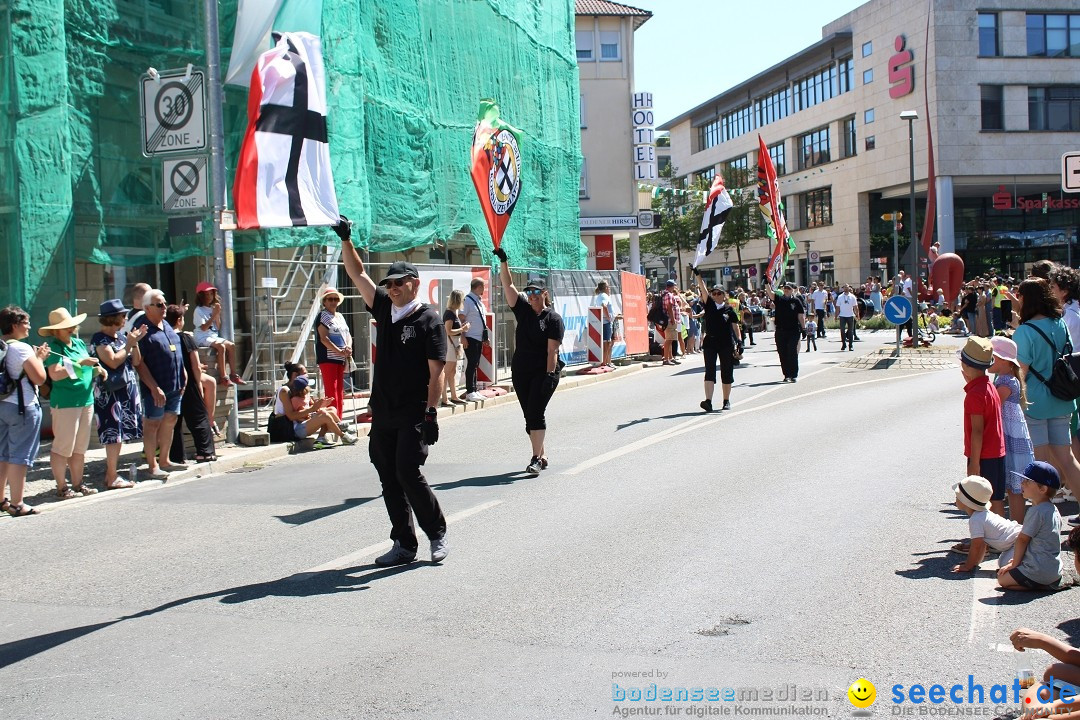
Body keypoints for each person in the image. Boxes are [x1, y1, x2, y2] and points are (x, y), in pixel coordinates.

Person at [337, 217, 449, 566]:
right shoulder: (385, 306)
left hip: (414, 410)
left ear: (414, 283)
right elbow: (358, 275)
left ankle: (436, 534)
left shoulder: (428, 319)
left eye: (399, 282)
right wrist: (346, 239)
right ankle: (404, 543)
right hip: (383, 409)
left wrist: (431, 413)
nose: (393, 287)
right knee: (388, 475)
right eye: (390, 283)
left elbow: (438, 372)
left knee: (407, 472)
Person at [1013, 278, 1080, 524]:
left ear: (1026, 300)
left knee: (1039, 461)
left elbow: (1021, 370)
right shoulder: (1060, 323)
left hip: (1036, 402)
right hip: (1062, 397)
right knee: (1067, 458)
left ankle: (1043, 519)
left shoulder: (1025, 331)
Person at [494, 248, 566, 474]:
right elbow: (508, 285)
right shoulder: (523, 310)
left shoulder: (553, 318)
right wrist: (504, 261)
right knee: (529, 415)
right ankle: (542, 454)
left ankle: (535, 458)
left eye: (536, 291)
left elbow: (552, 350)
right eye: (530, 292)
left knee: (536, 411)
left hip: (544, 370)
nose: (532, 295)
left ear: (544, 293)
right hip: (521, 370)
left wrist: (548, 376)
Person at [41, 307, 101, 498]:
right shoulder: (55, 348)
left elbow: (84, 370)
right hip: (66, 403)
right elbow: (55, 374)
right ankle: (62, 488)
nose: (71, 328)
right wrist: (80, 364)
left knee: (79, 448)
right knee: (63, 447)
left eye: (72, 325)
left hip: (85, 400)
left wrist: (96, 371)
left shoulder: (78, 343)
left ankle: (77, 484)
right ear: (55, 331)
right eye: (65, 326)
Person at [89, 299, 145, 488]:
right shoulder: (100, 339)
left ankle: (113, 474)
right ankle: (111, 476)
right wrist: (128, 345)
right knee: (113, 435)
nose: (126, 318)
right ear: (112, 318)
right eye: (123, 315)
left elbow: (136, 361)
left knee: (121, 435)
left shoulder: (122, 337)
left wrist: (134, 343)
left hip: (126, 391)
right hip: (109, 394)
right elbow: (112, 361)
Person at [0, 306, 50, 516]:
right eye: (26, 322)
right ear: (15, 325)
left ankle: (2, 499)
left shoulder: (2, 346)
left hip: (3, 405)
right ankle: (18, 503)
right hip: (23, 406)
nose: (29, 326)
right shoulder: (22, 348)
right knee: (20, 455)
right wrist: (40, 358)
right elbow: (39, 378)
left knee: (2, 453)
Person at [133, 289, 187, 479]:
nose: (164, 307)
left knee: (170, 420)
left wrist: (184, 374)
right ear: (147, 308)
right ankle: (152, 465)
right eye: (159, 304)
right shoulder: (142, 329)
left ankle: (165, 460)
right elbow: (139, 363)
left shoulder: (166, 325)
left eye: (164, 303)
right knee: (152, 424)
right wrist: (153, 387)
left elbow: (176, 351)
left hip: (175, 384)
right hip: (155, 387)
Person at [959, 337, 1008, 517]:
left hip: (983, 455)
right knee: (996, 499)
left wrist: (974, 462)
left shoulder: (974, 395)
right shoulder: (989, 387)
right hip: (997, 453)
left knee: (977, 500)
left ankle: (981, 539)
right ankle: (999, 537)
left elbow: (977, 431)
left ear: (967, 365)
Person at [997, 460, 1062, 591]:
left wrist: (1014, 564)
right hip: (1054, 570)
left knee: (1002, 579)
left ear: (1042, 489)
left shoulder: (1036, 511)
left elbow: (1022, 539)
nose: (1022, 484)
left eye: (1027, 481)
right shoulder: (1053, 509)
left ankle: (1038, 586)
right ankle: (1044, 582)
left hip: (1037, 570)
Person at [990, 337, 1034, 523]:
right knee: (1013, 488)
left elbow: (994, 405)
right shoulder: (1005, 378)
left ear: (1005, 361)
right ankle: (1016, 527)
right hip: (1011, 433)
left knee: (1015, 488)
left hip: (1010, 436)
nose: (990, 360)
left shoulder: (1006, 381)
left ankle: (1017, 526)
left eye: (993, 357)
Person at [165, 305, 218, 464]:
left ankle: (177, 456)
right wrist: (198, 385)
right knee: (199, 418)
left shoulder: (165, 337)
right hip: (190, 383)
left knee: (175, 422)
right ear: (179, 320)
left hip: (172, 383)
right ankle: (205, 452)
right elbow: (195, 364)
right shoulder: (185, 338)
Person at [950, 475, 1020, 573]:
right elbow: (982, 544)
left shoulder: (976, 520)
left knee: (1006, 566)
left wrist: (967, 566)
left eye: (957, 496)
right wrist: (975, 563)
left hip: (1018, 543)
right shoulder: (982, 515)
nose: (955, 500)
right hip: (1016, 541)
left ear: (965, 502)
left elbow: (976, 545)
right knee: (1003, 562)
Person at [696, 274, 740, 412]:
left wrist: (739, 341)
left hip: (726, 343)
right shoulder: (709, 304)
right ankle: (708, 401)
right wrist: (697, 274)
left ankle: (726, 400)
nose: (715, 295)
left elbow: (735, 326)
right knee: (709, 371)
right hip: (710, 341)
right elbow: (703, 289)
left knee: (726, 371)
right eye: (713, 293)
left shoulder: (729, 310)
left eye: (718, 293)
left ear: (724, 295)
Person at [192, 281, 244, 386]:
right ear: (201, 296)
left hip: (212, 335)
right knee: (221, 347)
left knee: (231, 345)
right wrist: (214, 315)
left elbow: (218, 327)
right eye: (206, 294)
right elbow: (204, 328)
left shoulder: (212, 308)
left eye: (211, 294)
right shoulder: (198, 310)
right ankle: (223, 376)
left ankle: (233, 375)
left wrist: (217, 314)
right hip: (202, 337)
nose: (209, 297)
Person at [284, 374, 356, 445]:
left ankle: (322, 437)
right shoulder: (295, 400)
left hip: (308, 421)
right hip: (299, 428)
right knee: (325, 416)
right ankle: (343, 436)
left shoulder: (306, 397)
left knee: (331, 409)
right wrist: (311, 414)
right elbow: (298, 416)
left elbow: (313, 408)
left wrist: (322, 405)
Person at [315, 287, 352, 421]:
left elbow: (348, 335)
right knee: (332, 392)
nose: (333, 301)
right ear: (324, 301)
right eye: (330, 299)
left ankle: (339, 419)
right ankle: (334, 421)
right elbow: (324, 338)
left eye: (335, 299)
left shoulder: (340, 316)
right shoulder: (322, 316)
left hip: (340, 358)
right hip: (328, 358)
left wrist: (348, 347)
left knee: (340, 392)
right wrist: (339, 351)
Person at [768, 281, 806, 382]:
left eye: (788, 288)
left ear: (792, 290)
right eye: (785, 288)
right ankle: (786, 374)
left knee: (792, 351)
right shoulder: (779, 299)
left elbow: (800, 315)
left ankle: (793, 374)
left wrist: (804, 328)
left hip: (793, 330)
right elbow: (770, 293)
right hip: (780, 330)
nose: (786, 290)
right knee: (782, 353)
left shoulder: (796, 301)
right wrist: (766, 283)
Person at [461, 277, 489, 402]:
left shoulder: (478, 301)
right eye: (483, 286)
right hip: (470, 337)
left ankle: (474, 390)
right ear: (479, 287)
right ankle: (470, 391)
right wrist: (462, 336)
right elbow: (460, 318)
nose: (484, 289)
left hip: (478, 337)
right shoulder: (467, 300)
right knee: (472, 363)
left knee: (475, 363)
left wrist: (485, 337)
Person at [441, 289, 469, 406]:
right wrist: (462, 329)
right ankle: (444, 398)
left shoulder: (453, 312)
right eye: (462, 299)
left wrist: (461, 329)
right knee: (447, 372)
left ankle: (453, 395)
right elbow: (448, 330)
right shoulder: (450, 313)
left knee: (451, 372)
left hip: (453, 344)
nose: (463, 301)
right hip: (450, 344)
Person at [592, 281, 619, 366]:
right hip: (606, 322)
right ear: (606, 288)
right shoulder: (604, 296)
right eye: (608, 287)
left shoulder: (601, 296)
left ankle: (607, 362)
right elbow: (604, 305)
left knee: (609, 342)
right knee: (607, 342)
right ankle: (605, 362)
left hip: (605, 321)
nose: (610, 288)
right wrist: (608, 317)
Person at [835, 284, 859, 351]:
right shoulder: (840, 297)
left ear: (849, 288)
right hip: (842, 315)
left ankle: (850, 345)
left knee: (850, 331)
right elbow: (837, 307)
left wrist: (857, 314)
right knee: (842, 330)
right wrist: (836, 316)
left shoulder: (852, 297)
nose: (846, 289)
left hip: (850, 315)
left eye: (847, 287)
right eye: (844, 287)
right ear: (843, 289)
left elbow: (855, 307)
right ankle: (843, 344)